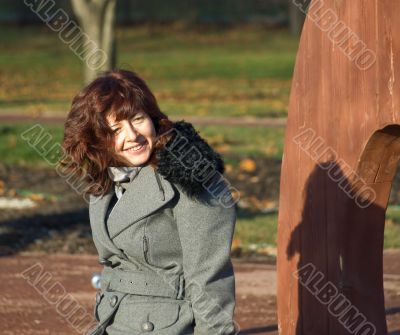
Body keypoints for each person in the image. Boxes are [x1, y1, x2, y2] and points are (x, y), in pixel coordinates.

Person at [60, 69, 238, 335]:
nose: (132, 135)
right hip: (114, 322)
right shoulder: (107, 179)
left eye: (137, 119)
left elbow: (209, 279)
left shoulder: (192, 179)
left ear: (153, 119)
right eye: (115, 129)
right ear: (97, 140)